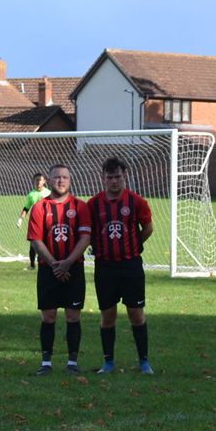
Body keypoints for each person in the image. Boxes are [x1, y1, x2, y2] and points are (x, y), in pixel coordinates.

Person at [86, 156, 154, 375]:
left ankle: (144, 362)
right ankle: (108, 362)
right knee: (108, 315)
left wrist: (134, 245)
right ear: (103, 178)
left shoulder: (137, 202)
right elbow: (88, 233)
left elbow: (148, 228)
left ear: (125, 175)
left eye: (118, 176)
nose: (114, 181)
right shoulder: (94, 204)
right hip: (105, 267)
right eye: (110, 177)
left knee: (136, 313)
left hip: (131, 266)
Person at [25, 164, 92, 375]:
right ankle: (46, 363)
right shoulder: (39, 207)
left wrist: (68, 262)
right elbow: (36, 239)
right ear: (49, 180)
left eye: (64, 177)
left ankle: (72, 362)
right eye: (56, 177)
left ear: (70, 181)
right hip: (48, 270)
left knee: (73, 316)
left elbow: (85, 238)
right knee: (48, 317)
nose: (61, 181)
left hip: (74, 270)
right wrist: (55, 263)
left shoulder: (80, 207)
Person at [17, 173, 51, 269]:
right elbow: (26, 208)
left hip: (46, 222)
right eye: (36, 180)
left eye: (40, 180)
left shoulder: (48, 193)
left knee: (46, 243)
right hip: (35, 222)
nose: (38, 182)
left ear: (44, 181)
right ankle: (32, 265)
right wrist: (20, 219)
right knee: (33, 244)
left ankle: (46, 263)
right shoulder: (31, 194)